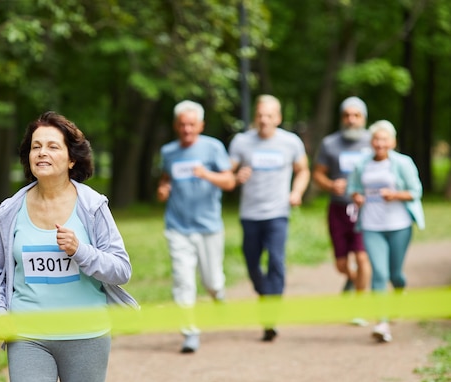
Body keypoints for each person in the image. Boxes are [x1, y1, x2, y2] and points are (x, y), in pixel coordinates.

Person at [0, 111, 138, 382]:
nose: (42, 152)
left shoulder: (92, 206)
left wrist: (81, 251)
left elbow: (122, 270)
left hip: (86, 335)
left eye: (53, 146)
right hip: (28, 337)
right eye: (35, 146)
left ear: (71, 160)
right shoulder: (11, 210)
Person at [228, 94, 310, 342]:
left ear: (279, 118)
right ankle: (265, 295)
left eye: (269, 115)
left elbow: (303, 170)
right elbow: (227, 174)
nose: (264, 120)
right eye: (260, 115)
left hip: (277, 213)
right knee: (252, 262)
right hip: (250, 214)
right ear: (255, 117)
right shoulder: (241, 142)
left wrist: (296, 192)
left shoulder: (290, 142)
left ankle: (270, 316)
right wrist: (236, 178)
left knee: (276, 259)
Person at [157, 100, 236, 353]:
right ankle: (190, 332)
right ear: (175, 126)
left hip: (209, 227)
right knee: (183, 281)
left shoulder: (213, 148)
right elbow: (166, 179)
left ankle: (218, 295)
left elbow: (229, 181)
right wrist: (163, 189)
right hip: (178, 227)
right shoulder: (168, 151)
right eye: (182, 125)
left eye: (191, 124)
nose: (187, 129)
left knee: (211, 280)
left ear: (200, 125)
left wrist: (207, 175)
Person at [347, 120, 425, 343]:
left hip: (399, 225)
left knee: (395, 274)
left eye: (384, 139)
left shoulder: (403, 163)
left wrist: (395, 195)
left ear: (392, 142)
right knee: (379, 273)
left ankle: (400, 290)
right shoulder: (362, 164)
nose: (379, 143)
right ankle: (382, 322)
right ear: (371, 142)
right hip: (371, 225)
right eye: (376, 139)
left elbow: (415, 191)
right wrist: (357, 196)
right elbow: (353, 189)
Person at [313, 97, 372, 297]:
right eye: (347, 115)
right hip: (338, 208)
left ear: (364, 118)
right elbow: (318, 174)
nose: (351, 119)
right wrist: (330, 185)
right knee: (341, 264)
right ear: (341, 118)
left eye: (356, 115)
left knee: (363, 257)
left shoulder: (373, 142)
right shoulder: (330, 143)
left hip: (364, 210)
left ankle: (360, 303)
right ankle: (354, 279)